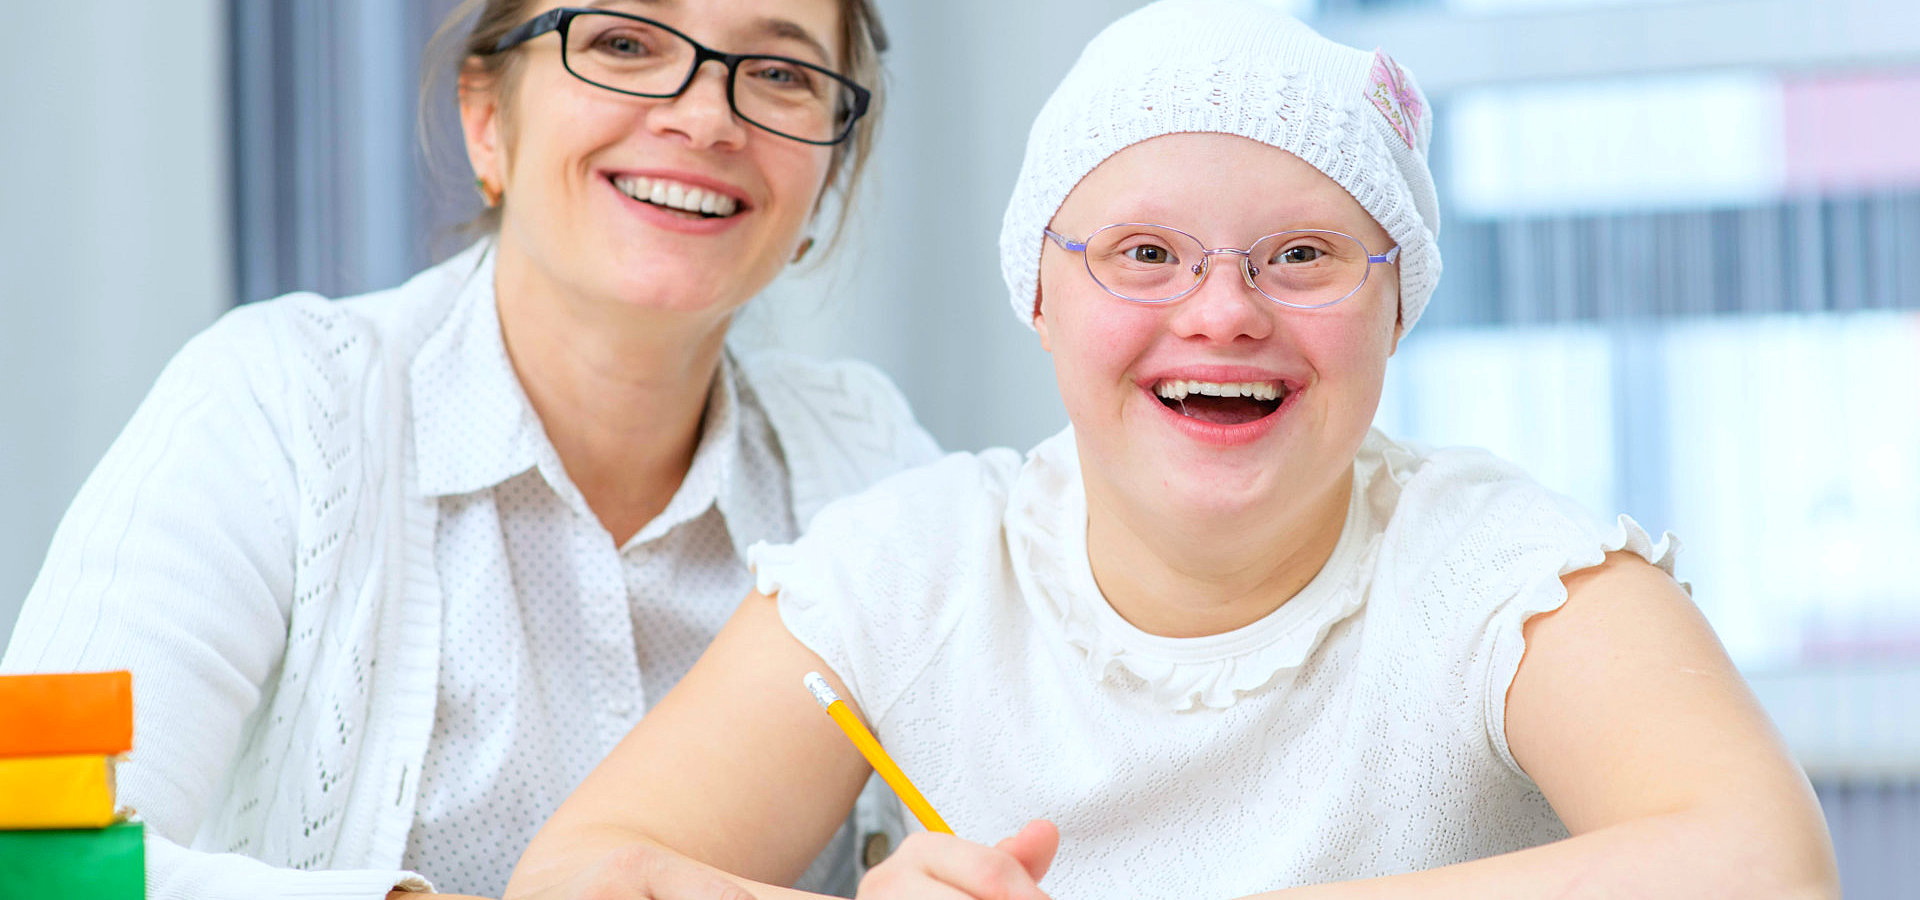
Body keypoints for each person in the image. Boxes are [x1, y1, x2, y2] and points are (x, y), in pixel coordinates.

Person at [502, 2, 1841, 898]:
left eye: (1303, 256)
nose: (1223, 312)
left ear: (1395, 305)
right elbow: (580, 872)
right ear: (1040, 294)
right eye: (1146, 254)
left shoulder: (1498, 568)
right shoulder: (914, 566)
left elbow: (1765, 861)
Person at [0, 1, 937, 898]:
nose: (704, 117)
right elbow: (31, 849)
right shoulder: (276, 404)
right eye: (621, 43)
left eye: (779, 72)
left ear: (830, 172)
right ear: (486, 118)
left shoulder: (873, 460)